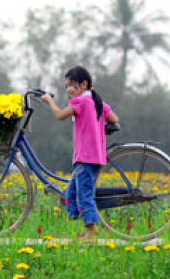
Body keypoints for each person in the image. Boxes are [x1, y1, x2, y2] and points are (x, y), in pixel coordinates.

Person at [41, 66, 119, 243]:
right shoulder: (98, 102)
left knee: (83, 195)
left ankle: (91, 232)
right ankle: (84, 228)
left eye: (72, 85)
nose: (69, 90)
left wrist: (49, 101)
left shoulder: (79, 102)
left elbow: (60, 115)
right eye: (67, 86)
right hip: (95, 155)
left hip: (85, 156)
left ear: (84, 84)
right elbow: (114, 119)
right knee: (73, 191)